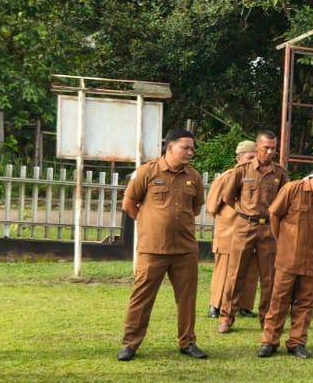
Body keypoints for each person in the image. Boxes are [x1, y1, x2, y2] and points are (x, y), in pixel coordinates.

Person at [118, 129, 206, 361]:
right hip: (153, 249)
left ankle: (187, 342)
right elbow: (129, 204)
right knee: (142, 297)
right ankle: (130, 344)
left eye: (192, 148)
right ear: (170, 147)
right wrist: (150, 223)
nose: (190, 152)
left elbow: (196, 208)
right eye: (186, 148)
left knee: (187, 299)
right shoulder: (147, 172)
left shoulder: (194, 176)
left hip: (185, 249)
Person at [259, 166, 313, 359]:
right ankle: (269, 342)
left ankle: (297, 342)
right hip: (288, 257)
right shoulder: (292, 189)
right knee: (279, 300)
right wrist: (282, 241)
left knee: (306, 303)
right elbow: (275, 215)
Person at [228, 130, 284, 322]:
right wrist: (243, 212)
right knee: (236, 273)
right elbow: (228, 197)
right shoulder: (242, 170)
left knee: (269, 277)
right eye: (266, 148)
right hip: (245, 227)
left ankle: (266, 318)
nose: (269, 152)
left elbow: (284, 201)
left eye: (273, 148)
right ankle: (227, 315)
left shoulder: (280, 173)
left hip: (268, 229)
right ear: (257, 146)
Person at [206, 139, 257, 331]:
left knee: (250, 270)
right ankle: (215, 305)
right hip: (229, 232)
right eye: (249, 157)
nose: (251, 161)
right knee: (224, 270)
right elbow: (212, 206)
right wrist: (230, 216)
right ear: (239, 158)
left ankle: (244, 306)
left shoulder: (259, 178)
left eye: (254, 157)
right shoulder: (227, 177)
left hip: (251, 232)